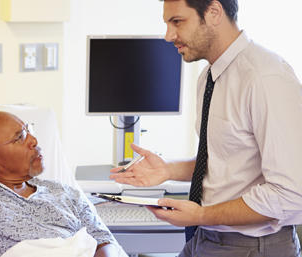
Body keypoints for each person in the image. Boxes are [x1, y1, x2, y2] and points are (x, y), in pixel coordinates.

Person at [110, 0, 302, 256]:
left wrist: (202, 214)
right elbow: (224, 159)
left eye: (177, 21)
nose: (169, 36)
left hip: (251, 246)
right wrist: (169, 169)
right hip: (205, 236)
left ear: (213, 12)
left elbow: (291, 192)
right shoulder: (209, 77)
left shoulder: (265, 77)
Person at [0, 111, 118, 257]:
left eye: (28, 130)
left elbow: (104, 241)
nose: (34, 140)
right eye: (20, 137)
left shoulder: (64, 191)